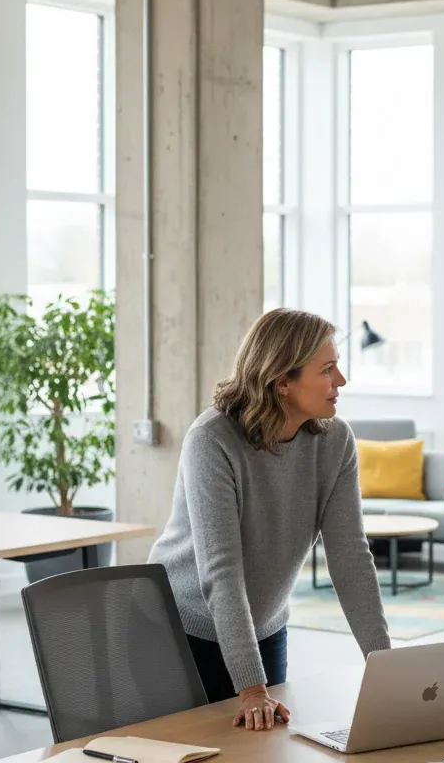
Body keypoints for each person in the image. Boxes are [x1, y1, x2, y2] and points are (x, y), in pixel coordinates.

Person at [148, 309, 390, 732]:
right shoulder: (212, 440)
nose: (342, 382)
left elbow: (351, 557)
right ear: (282, 381)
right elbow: (221, 570)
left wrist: (387, 669)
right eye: (328, 369)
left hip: (264, 624)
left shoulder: (335, 442)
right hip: (183, 630)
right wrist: (252, 689)